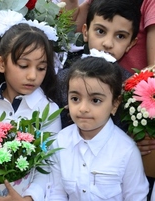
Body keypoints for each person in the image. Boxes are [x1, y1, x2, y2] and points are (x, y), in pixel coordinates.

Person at [0, 10, 62, 201]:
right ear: (0, 63)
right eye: (24, 65)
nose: (32, 75)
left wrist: (29, 198)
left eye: (41, 68)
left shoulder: (48, 110)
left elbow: (49, 165)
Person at [49, 55, 149, 200]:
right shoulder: (60, 142)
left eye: (95, 100)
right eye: (75, 99)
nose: (83, 108)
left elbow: (136, 197)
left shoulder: (126, 151)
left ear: (115, 104)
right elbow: (56, 193)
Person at [56, 0, 140, 128]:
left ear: (130, 44)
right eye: (100, 31)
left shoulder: (129, 89)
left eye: (120, 36)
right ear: (85, 32)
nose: (108, 43)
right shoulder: (62, 78)